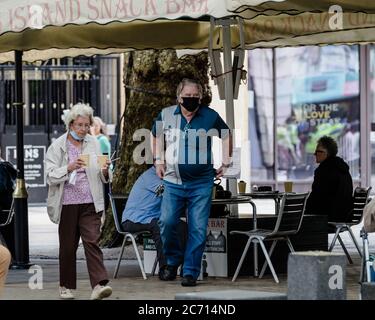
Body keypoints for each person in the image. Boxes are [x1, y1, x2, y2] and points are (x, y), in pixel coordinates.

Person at [152, 78, 232, 287]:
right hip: (172, 181)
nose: (191, 100)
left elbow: (226, 134)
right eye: (187, 97)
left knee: (197, 228)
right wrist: (158, 160)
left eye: (196, 97)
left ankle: (190, 272)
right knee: (167, 222)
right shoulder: (166, 114)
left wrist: (226, 161)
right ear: (178, 97)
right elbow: (156, 135)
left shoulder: (210, 115)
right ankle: (171, 261)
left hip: (201, 183)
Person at [45, 103, 113, 300]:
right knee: (68, 246)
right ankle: (65, 286)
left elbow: (102, 174)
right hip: (66, 203)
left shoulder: (93, 142)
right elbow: (49, 176)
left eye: (87, 125)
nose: (84, 129)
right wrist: (69, 167)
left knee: (92, 241)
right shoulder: (57, 146)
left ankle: (99, 285)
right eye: (80, 125)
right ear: (71, 125)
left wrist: (105, 169)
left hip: (90, 201)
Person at [121, 165, 187, 276]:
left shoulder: (169, 176)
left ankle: (185, 266)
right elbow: (169, 194)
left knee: (183, 226)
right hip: (134, 218)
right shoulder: (151, 176)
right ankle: (165, 268)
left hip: (153, 217)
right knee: (161, 226)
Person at [305, 135, 354, 223]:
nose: (315, 154)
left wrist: (302, 206)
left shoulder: (324, 170)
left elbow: (317, 197)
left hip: (328, 217)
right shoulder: (343, 169)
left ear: (327, 154)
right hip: (345, 215)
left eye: (318, 151)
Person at [90, 116, 111, 211]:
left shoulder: (102, 140)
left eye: (96, 125)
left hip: (103, 175)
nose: (93, 127)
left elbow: (104, 160)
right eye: (92, 125)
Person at [0, 150, 17, 259]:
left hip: (3, 209)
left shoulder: (1, 167)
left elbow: (1, 187)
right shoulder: (6, 165)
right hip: (6, 208)